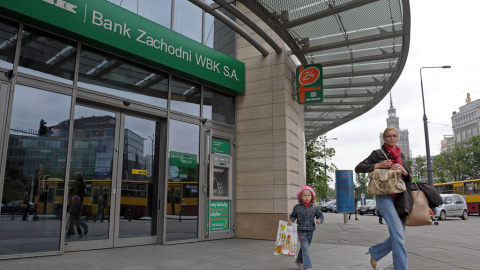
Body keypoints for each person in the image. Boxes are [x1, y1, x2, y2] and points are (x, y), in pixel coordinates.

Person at [355, 127, 412, 270]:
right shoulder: (378, 154)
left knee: (399, 236)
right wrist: (378, 165)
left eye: (394, 136)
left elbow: (409, 178)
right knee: (398, 237)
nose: (392, 138)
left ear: (398, 137)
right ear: (384, 138)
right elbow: (359, 167)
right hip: (384, 197)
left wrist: (404, 171)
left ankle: (375, 252)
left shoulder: (401, 155)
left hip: (401, 198)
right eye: (388, 136)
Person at [288, 186, 324, 270]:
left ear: (312, 197)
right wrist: (291, 220)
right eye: (304, 195)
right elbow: (293, 216)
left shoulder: (315, 207)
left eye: (308, 195)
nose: (307, 197)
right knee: (305, 248)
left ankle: (299, 261)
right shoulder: (297, 207)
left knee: (305, 247)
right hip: (301, 230)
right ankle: (307, 267)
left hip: (310, 231)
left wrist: (319, 220)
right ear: (300, 197)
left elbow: (320, 215)